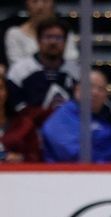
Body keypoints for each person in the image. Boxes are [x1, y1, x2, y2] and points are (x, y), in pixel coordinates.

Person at [3, 17, 77, 161]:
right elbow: (17, 112)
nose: (53, 42)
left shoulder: (76, 72)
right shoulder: (19, 71)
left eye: (58, 38)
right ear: (38, 40)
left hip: (67, 140)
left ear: (65, 42)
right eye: (48, 37)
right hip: (30, 140)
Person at [40, 69, 111, 162]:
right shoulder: (62, 118)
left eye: (101, 89)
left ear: (106, 95)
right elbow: (74, 155)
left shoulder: (108, 119)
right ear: (77, 89)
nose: (95, 92)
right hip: (70, 176)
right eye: (90, 86)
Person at [3, 0, 79, 68]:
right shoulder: (14, 33)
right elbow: (17, 69)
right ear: (27, 4)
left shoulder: (63, 31)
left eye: (45, 1)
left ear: (53, 4)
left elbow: (72, 61)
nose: (40, 6)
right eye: (35, 1)